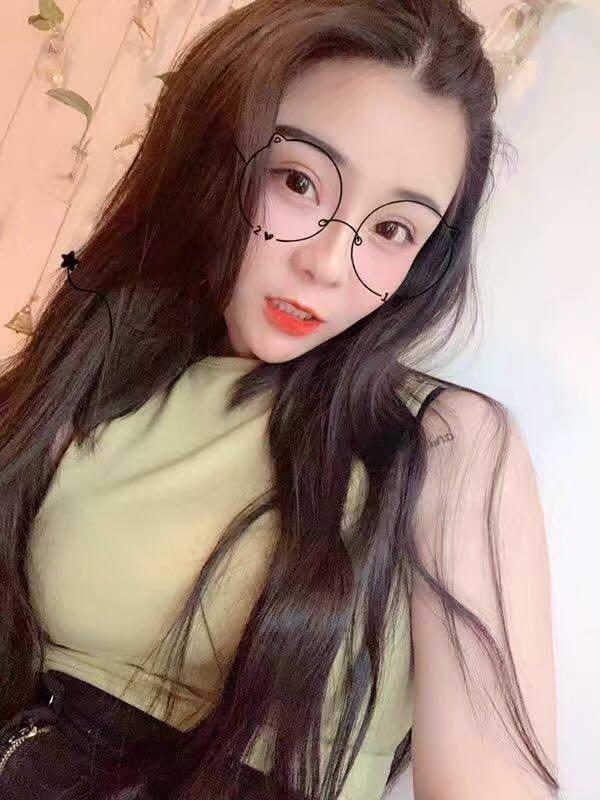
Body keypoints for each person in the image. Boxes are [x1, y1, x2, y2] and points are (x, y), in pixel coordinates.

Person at [0, 1, 560, 798]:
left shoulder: (441, 440)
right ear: (212, 155)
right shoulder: (97, 383)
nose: (329, 264)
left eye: (393, 230)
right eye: (299, 182)